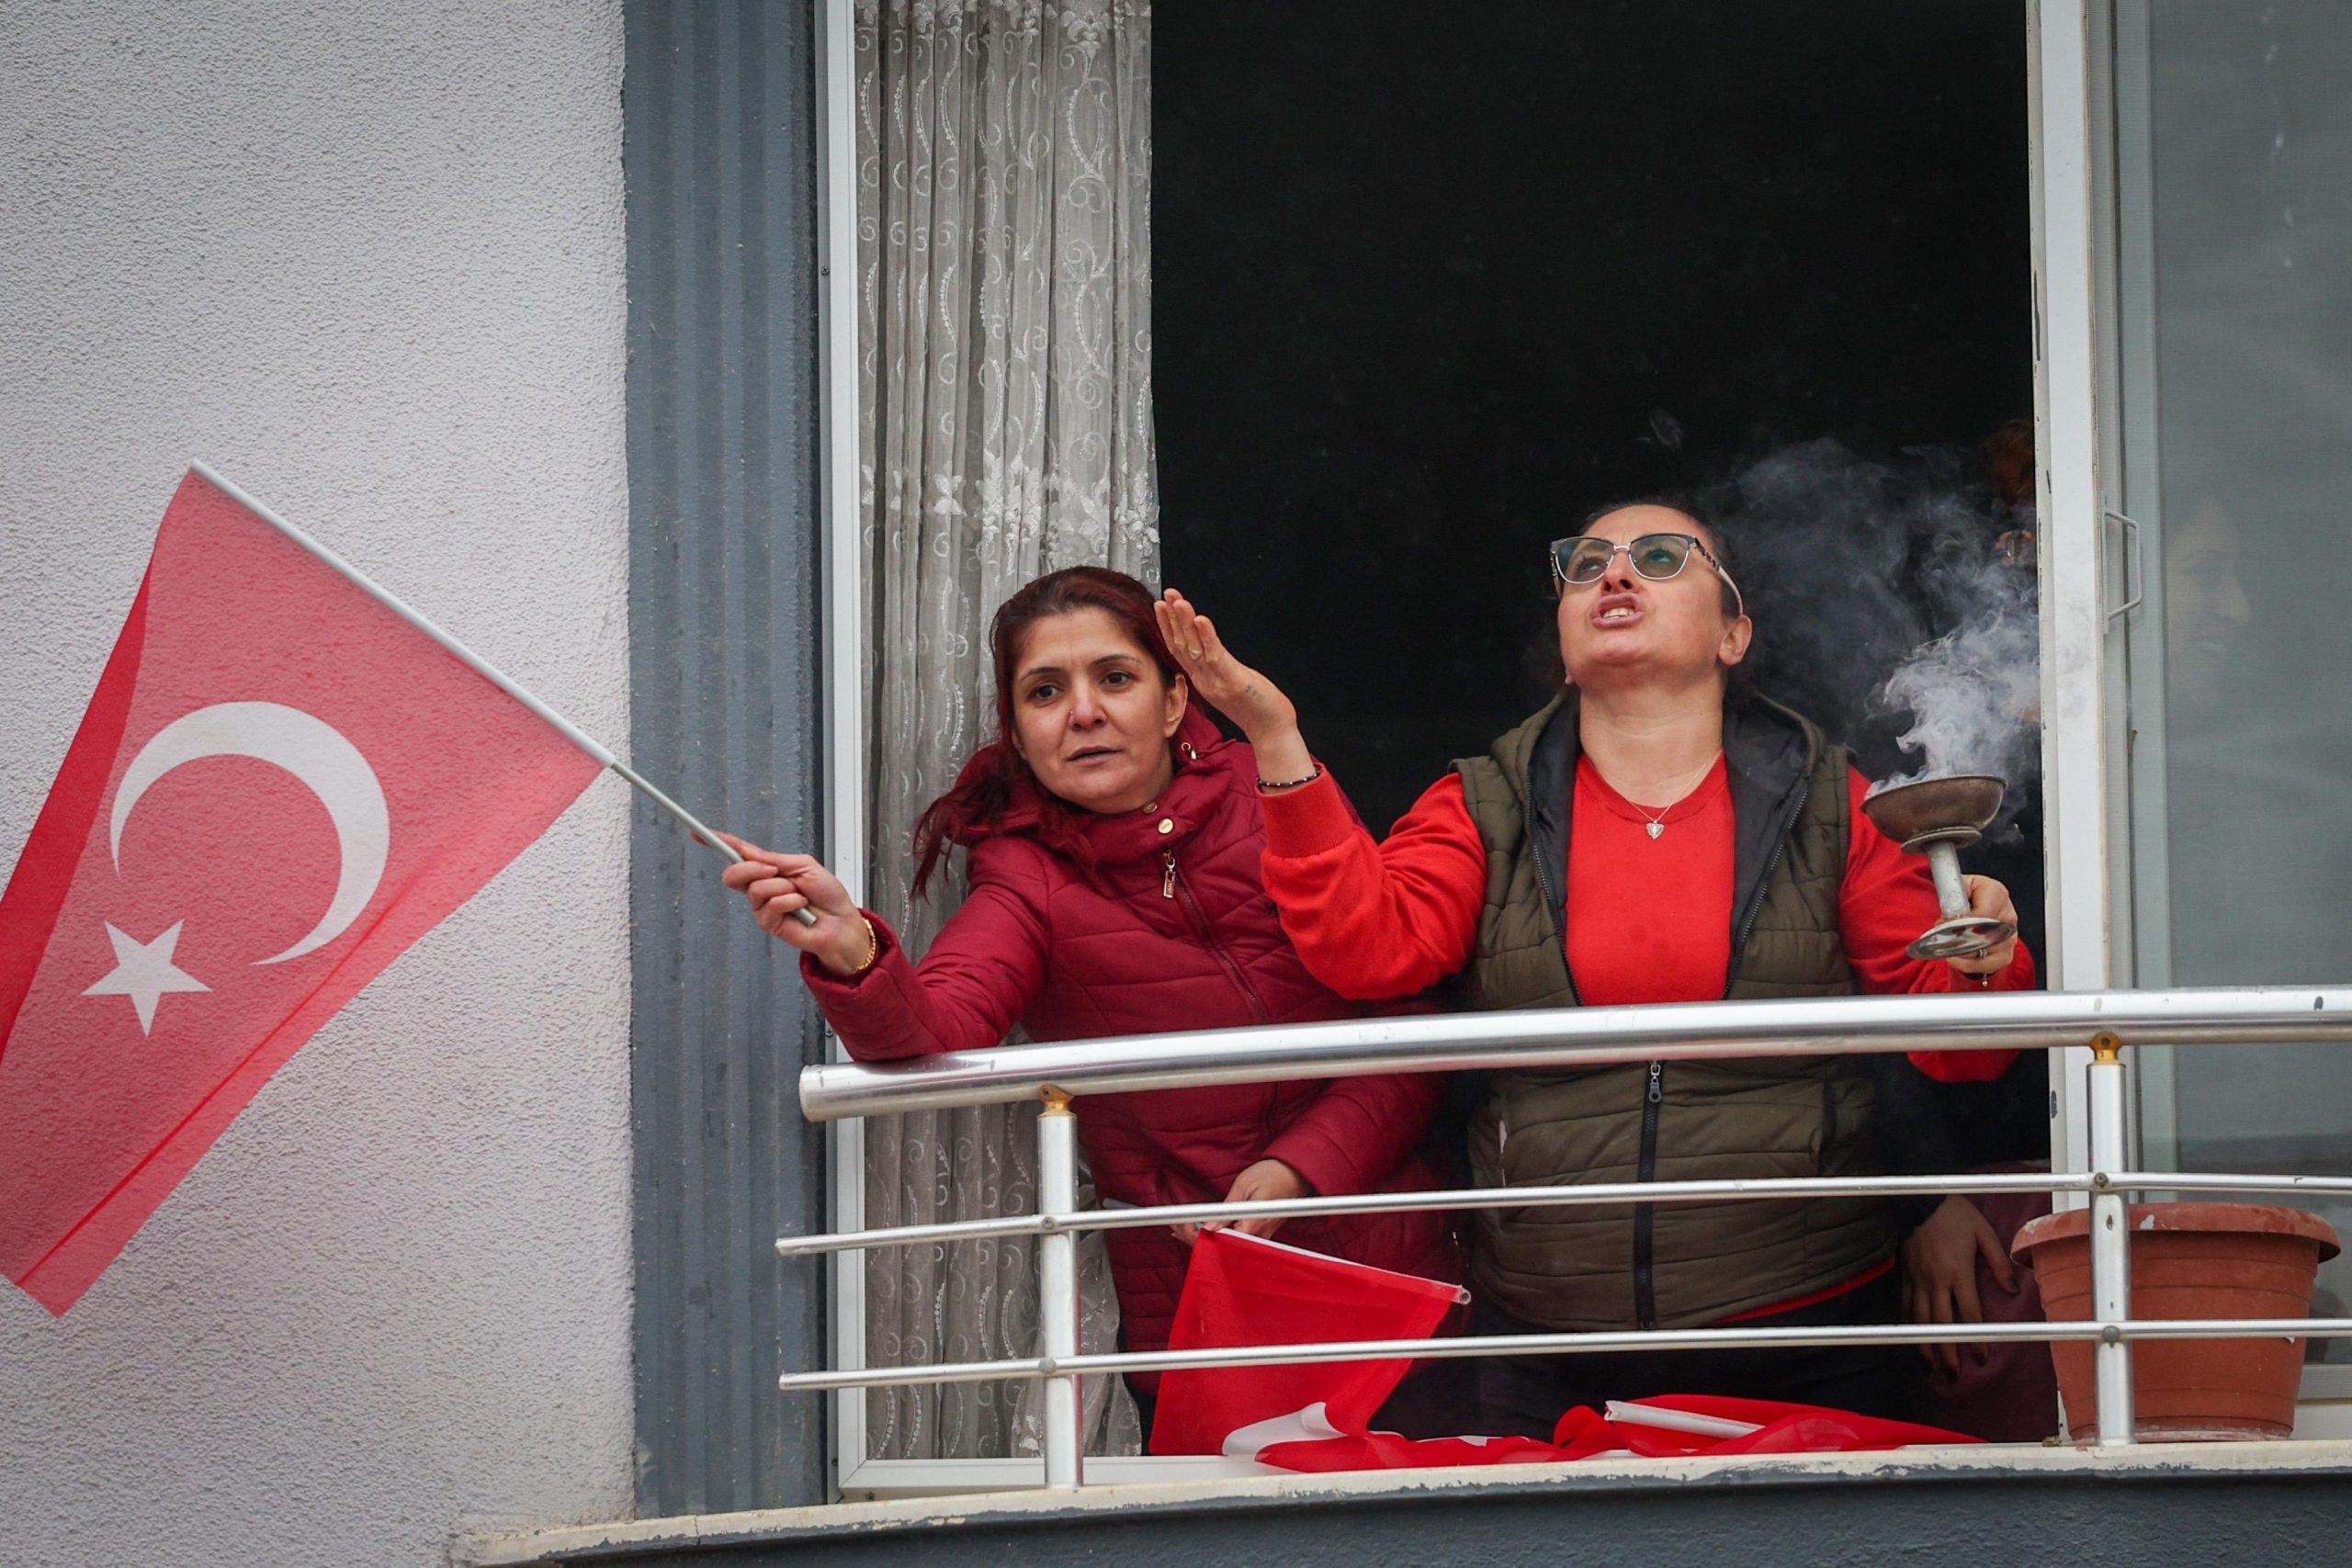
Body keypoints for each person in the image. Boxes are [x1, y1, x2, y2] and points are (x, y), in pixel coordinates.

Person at [1157, 501, 2038, 1438]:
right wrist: (1275, 735)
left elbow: (1962, 1049)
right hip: (1547, 1336)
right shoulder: (1481, 800)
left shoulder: (1835, 802)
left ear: (1732, 634)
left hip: (1804, 1327)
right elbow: (1366, 949)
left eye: (1659, 557)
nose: (1613, 574)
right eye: (1585, 564)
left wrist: (1983, 960)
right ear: (1566, 643)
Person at [719, 566, 1460, 1430]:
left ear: (1175, 701)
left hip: (1395, 1284)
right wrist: (854, 949)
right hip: (1206, 1319)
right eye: (1045, 691)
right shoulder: (1025, 873)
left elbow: (1409, 1021)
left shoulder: (1275, 796)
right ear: (1019, 731)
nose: (1083, 713)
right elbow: (934, 1033)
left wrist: (1301, 1166)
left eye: (1115, 678)